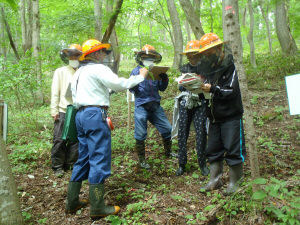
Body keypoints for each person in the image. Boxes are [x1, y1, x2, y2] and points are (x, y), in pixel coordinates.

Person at [65, 39, 148, 219]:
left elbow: (86, 92)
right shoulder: (98, 68)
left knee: (84, 157)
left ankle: (71, 202)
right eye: (102, 52)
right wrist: (141, 75)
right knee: (99, 157)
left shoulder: (79, 72)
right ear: (95, 53)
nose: (104, 55)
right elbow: (120, 84)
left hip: (80, 115)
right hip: (95, 115)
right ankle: (97, 208)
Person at [197, 33, 246, 195]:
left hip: (231, 116)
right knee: (213, 149)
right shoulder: (209, 69)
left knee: (233, 148)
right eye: (205, 54)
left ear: (219, 48)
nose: (207, 57)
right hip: (214, 117)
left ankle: (235, 183)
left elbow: (231, 91)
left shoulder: (233, 65)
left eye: (209, 53)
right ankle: (215, 180)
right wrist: (197, 88)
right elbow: (207, 90)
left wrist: (212, 89)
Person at [129, 44, 173, 169]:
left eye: (151, 57)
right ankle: (142, 160)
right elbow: (131, 89)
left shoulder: (156, 71)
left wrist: (165, 79)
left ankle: (168, 152)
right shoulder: (136, 71)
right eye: (147, 57)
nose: (149, 59)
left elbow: (162, 88)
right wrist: (139, 79)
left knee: (167, 128)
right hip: (141, 105)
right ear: (141, 57)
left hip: (155, 105)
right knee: (141, 131)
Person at [174, 40, 209, 176]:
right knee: (182, 132)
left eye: (193, 56)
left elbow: (210, 84)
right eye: (189, 57)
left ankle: (202, 164)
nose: (191, 59)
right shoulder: (184, 68)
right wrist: (184, 82)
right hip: (186, 101)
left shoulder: (207, 67)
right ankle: (181, 164)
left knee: (201, 132)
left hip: (201, 102)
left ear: (199, 55)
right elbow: (180, 86)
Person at [50, 44, 82, 178]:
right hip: (63, 109)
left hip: (79, 109)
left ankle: (70, 163)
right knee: (59, 138)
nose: (74, 58)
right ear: (68, 57)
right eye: (71, 56)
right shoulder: (60, 71)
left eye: (76, 56)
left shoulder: (83, 71)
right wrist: (54, 109)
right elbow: (55, 92)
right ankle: (57, 166)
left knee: (75, 139)